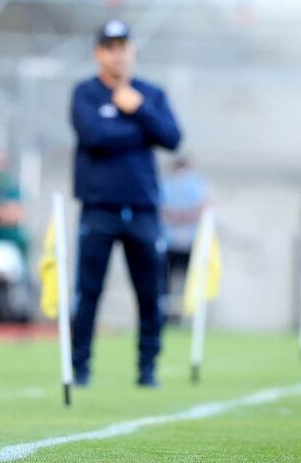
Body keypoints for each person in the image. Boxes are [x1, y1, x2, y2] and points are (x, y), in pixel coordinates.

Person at [69, 20, 181, 388]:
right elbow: (95, 136)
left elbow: (171, 136)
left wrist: (139, 110)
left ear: (132, 50)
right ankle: (80, 367)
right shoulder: (85, 93)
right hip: (99, 209)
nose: (118, 54)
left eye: (123, 46)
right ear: (99, 52)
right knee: (88, 293)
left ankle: (148, 368)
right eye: (110, 47)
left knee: (150, 294)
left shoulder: (150, 94)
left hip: (143, 209)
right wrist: (140, 130)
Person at [159, 156, 208, 322]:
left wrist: (180, 215)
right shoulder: (165, 186)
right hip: (168, 243)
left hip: (191, 243)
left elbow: (203, 207)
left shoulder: (197, 186)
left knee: (191, 283)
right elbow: (160, 208)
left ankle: (189, 317)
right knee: (164, 283)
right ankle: (165, 317)